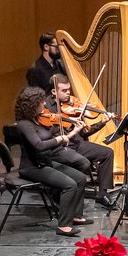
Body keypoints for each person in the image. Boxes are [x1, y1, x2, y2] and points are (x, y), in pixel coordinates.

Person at [11, 86, 90, 236]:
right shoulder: (24, 124)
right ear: (33, 105)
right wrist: (59, 139)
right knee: (69, 185)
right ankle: (64, 225)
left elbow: (53, 137)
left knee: (80, 178)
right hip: (32, 167)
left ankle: (76, 215)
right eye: (42, 102)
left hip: (45, 162)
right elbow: (39, 145)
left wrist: (72, 132)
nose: (45, 104)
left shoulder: (37, 119)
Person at [47, 73, 116, 206]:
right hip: (60, 148)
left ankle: (102, 194)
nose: (68, 93)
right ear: (54, 91)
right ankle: (62, 193)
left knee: (107, 153)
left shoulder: (72, 106)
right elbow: (52, 135)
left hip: (77, 144)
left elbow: (85, 132)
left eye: (69, 90)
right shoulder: (47, 108)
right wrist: (69, 126)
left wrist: (102, 122)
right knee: (81, 162)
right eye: (64, 90)